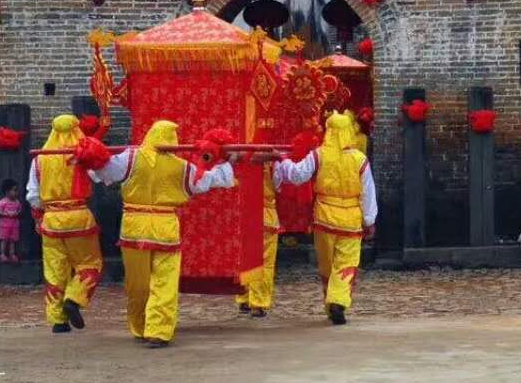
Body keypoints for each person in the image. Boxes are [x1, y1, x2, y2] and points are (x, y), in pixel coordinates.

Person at [89, 120, 237, 345]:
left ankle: (140, 326)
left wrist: (90, 156)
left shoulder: (129, 157)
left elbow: (101, 170)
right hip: (165, 227)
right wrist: (227, 163)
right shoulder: (182, 167)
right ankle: (158, 330)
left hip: (134, 228)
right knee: (164, 282)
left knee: (137, 282)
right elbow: (209, 180)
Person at [277, 112, 378, 324]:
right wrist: (369, 221)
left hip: (324, 218)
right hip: (350, 220)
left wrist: (283, 160)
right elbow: (368, 192)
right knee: (346, 263)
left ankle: (331, 302)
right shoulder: (360, 159)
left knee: (327, 266)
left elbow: (297, 175)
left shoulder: (319, 154)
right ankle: (338, 301)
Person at [27, 114, 104, 332]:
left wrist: (38, 217)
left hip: (51, 220)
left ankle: (58, 320)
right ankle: (74, 298)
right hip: (79, 217)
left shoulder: (40, 159)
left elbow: (33, 194)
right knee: (89, 264)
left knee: (54, 270)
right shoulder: (83, 155)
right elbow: (101, 175)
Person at [235, 157, 299, 317]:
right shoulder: (272, 162)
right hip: (266, 215)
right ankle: (258, 303)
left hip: (244, 213)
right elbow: (278, 185)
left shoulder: (238, 157)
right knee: (264, 261)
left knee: (245, 257)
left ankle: (244, 298)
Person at [0, 180, 22, 264]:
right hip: (4, 225)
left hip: (14, 224)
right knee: (4, 240)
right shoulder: (2, 202)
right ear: (7, 191)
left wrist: (16, 213)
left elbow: (20, 209)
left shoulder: (17, 202)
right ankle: (2, 254)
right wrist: (5, 214)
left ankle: (12, 254)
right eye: (14, 190)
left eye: (16, 190)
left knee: (13, 240)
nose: (16, 192)